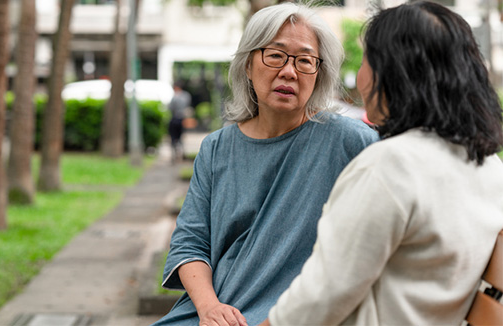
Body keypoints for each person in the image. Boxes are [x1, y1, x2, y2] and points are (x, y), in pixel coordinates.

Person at [262, 2, 503, 325]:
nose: (361, 75)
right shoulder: (489, 167)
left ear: (393, 73)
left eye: (366, 59)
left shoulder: (390, 166)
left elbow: (318, 300)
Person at [152, 3, 379, 326]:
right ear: (247, 64)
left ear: (319, 74)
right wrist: (209, 308)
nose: (289, 71)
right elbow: (190, 243)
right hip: (213, 312)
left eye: (304, 60)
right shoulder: (216, 148)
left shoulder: (351, 142)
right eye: (275, 55)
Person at [168, 80, 192, 162]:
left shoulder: (174, 97)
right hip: (183, 119)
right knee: (181, 137)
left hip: (175, 119)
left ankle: (174, 155)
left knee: (173, 137)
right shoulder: (186, 96)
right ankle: (181, 153)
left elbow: (170, 108)